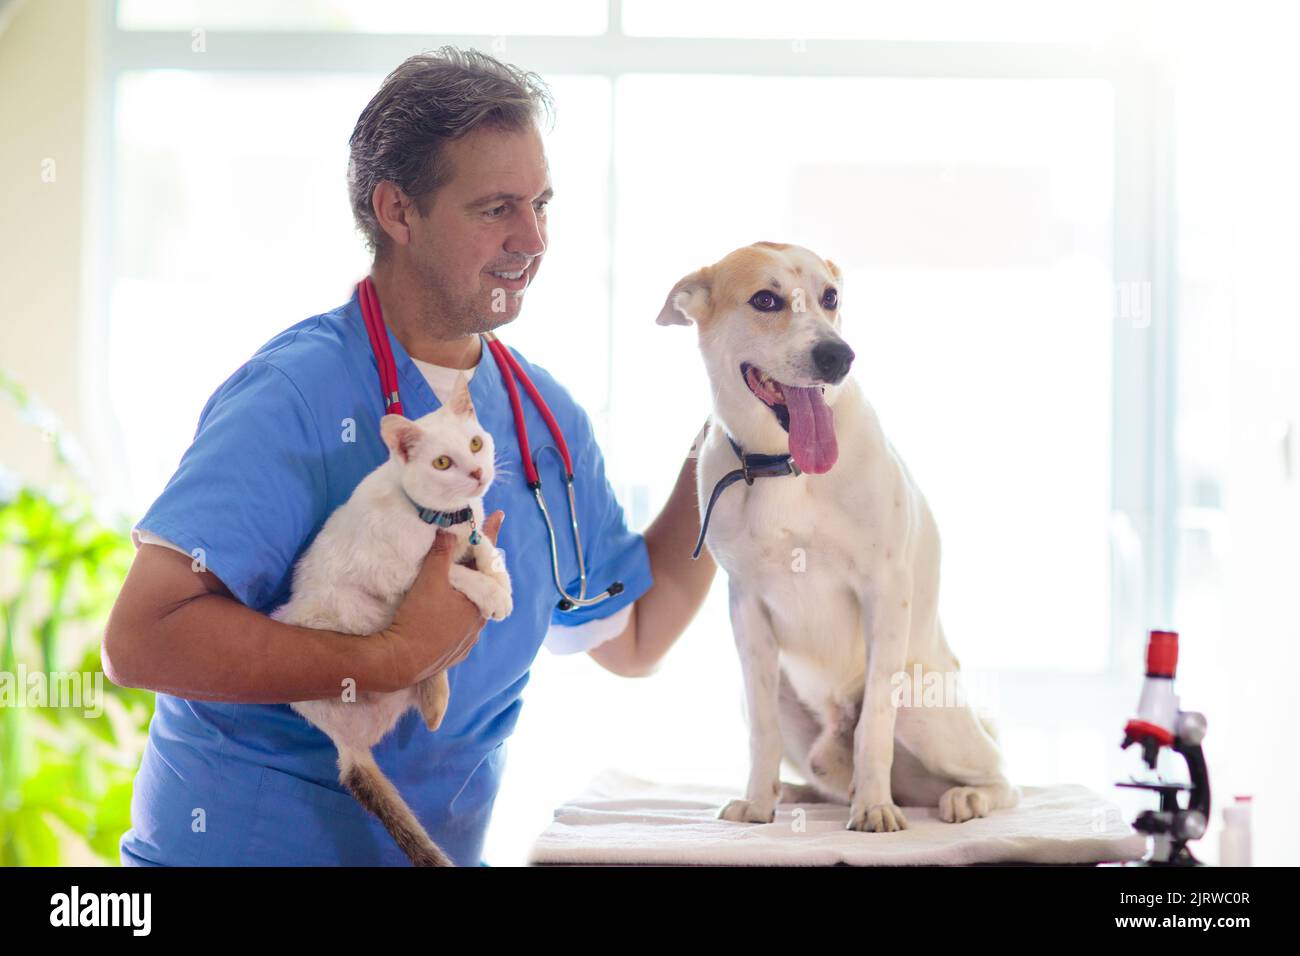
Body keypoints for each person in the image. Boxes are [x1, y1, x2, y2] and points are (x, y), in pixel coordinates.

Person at [103, 47, 716, 867]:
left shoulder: (543, 419)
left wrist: (729, 449)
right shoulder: (292, 397)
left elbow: (633, 635)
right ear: (397, 210)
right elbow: (142, 639)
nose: (532, 239)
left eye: (540, 204)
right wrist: (389, 659)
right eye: (496, 207)